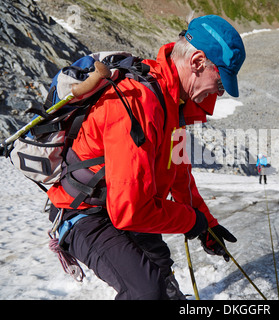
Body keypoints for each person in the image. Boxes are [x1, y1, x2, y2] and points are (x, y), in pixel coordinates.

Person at [46, 15, 246, 300]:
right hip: (84, 213)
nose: (219, 91)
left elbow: (180, 176)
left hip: (122, 204)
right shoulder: (137, 103)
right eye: (220, 81)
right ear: (198, 62)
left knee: (163, 278)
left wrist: (206, 225)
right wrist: (192, 221)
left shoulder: (173, 104)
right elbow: (131, 211)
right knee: (146, 291)